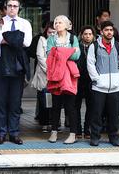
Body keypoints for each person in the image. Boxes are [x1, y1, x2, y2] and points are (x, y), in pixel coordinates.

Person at [0, 0, 31, 145]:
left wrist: (6, 38)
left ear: (19, 8)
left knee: (15, 101)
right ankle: (1, 133)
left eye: (15, 6)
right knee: (0, 100)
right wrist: (16, 38)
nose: (12, 8)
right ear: (5, 7)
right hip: (1, 64)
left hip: (17, 64)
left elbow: (27, 42)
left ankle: (14, 133)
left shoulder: (25, 23)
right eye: (10, 5)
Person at [86, 21, 119, 147]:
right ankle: (95, 137)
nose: (109, 32)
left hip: (114, 87)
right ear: (101, 31)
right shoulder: (94, 46)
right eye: (106, 30)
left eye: (111, 30)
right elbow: (90, 64)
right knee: (96, 114)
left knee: (114, 115)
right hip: (98, 87)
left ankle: (114, 137)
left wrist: (118, 78)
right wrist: (96, 79)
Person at [46, 15, 80, 144]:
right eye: (56, 22)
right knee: (56, 105)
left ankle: (73, 134)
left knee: (70, 106)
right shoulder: (51, 38)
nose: (57, 24)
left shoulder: (73, 38)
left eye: (60, 22)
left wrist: (59, 52)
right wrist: (68, 52)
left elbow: (77, 55)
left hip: (70, 76)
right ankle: (54, 131)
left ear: (66, 25)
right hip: (56, 74)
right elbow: (50, 55)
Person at [30, 21, 54, 133]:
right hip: (44, 74)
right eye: (50, 32)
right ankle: (45, 122)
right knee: (44, 99)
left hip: (56, 75)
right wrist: (50, 69)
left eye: (54, 32)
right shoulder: (41, 40)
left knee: (54, 100)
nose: (51, 34)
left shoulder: (59, 41)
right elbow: (40, 56)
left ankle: (53, 122)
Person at [76, 25, 95, 138]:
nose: (87, 36)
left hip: (91, 81)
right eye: (85, 34)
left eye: (90, 34)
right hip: (78, 80)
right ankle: (78, 129)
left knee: (91, 106)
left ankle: (87, 129)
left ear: (93, 36)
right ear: (81, 35)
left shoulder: (96, 47)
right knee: (76, 106)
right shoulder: (77, 47)